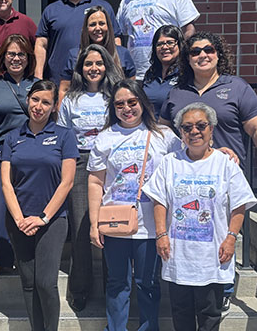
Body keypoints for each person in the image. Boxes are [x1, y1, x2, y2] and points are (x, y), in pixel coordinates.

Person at [159, 31, 257, 310]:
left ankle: (223, 290)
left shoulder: (237, 87)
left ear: (219, 54)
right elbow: (162, 132)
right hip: (187, 179)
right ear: (187, 58)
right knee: (192, 233)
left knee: (223, 236)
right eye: (195, 52)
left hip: (224, 179)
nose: (202, 55)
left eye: (208, 50)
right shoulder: (178, 92)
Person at [144, 102, 257, 330]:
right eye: (187, 128)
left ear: (211, 129)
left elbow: (239, 205)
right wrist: (161, 234)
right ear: (181, 133)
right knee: (181, 314)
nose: (194, 132)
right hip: (178, 256)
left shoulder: (225, 164)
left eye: (200, 126)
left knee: (209, 317)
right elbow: (159, 201)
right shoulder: (170, 163)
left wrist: (231, 238)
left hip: (212, 257)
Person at [87, 79, 181, 331]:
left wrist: (221, 150)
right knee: (117, 283)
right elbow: (96, 182)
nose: (126, 108)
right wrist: (94, 224)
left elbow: (190, 159)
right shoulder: (105, 138)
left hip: (151, 226)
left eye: (132, 102)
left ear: (143, 103)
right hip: (114, 222)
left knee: (147, 283)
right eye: (120, 104)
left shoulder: (165, 137)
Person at [1, 80, 79, 330]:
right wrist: (20, 218)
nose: (39, 106)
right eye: (35, 100)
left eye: (46, 102)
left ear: (54, 106)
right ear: (27, 100)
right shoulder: (13, 137)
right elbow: (6, 184)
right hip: (19, 221)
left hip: (52, 221)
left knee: (46, 282)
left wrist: (43, 218)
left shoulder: (64, 136)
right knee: (28, 282)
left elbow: (66, 183)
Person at [57, 44, 123, 311]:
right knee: (83, 226)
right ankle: (80, 287)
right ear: (80, 69)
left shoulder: (115, 96)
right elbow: (63, 137)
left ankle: (114, 289)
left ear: (106, 66)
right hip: (82, 162)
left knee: (111, 226)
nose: (93, 68)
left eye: (98, 63)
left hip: (113, 163)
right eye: (88, 64)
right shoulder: (71, 100)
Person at [0, 34, 39, 280]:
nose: (16, 59)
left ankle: (30, 256)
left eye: (21, 54)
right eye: (11, 54)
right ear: (3, 57)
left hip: (33, 153)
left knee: (31, 204)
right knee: (1, 206)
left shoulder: (37, 84)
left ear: (28, 58)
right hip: (2, 155)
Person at [116, 0, 200, 80]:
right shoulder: (126, 1)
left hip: (171, 73)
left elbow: (189, 30)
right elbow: (118, 36)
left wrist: (178, 57)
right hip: (136, 75)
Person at [35, 0, 121, 83]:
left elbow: (115, 39)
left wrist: (115, 71)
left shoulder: (102, 7)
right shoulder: (51, 10)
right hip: (58, 80)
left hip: (95, 80)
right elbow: (41, 44)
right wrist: (38, 77)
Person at [59, 5, 135, 102]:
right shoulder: (74, 55)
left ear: (108, 26)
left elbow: (132, 91)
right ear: (86, 28)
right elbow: (64, 89)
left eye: (102, 23)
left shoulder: (123, 54)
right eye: (92, 24)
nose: (97, 28)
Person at [142, 25, 185, 118]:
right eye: (159, 44)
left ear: (180, 45)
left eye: (170, 42)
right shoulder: (151, 74)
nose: (165, 47)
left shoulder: (186, 73)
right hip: (150, 129)